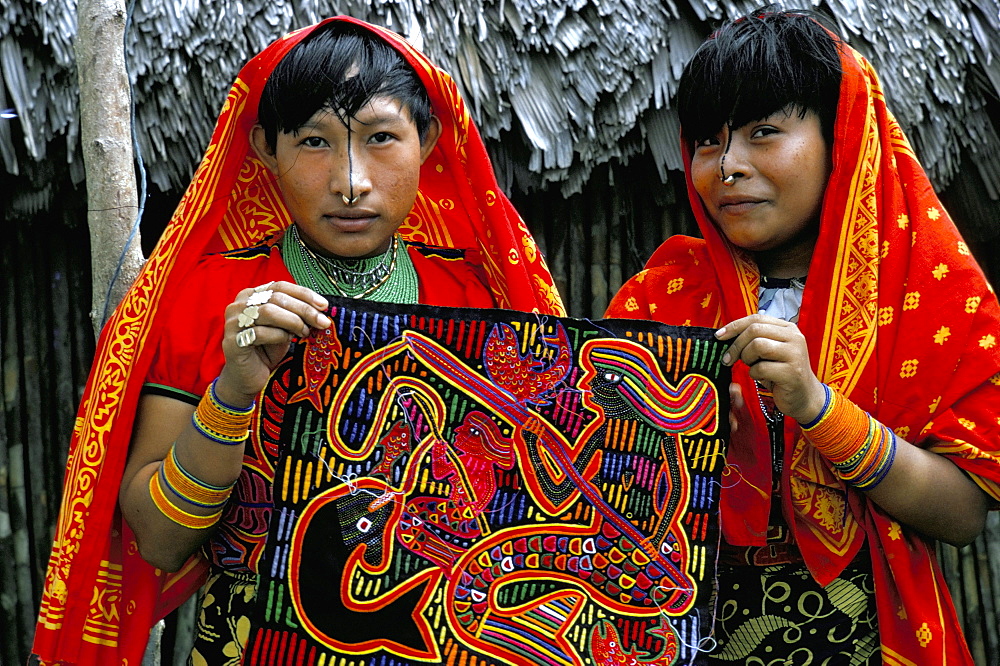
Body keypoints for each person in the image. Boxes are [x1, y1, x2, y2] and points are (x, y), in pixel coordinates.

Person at [31, 17, 563, 665]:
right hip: (252, 647)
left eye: (381, 139)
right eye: (314, 141)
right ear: (263, 147)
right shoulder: (203, 301)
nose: (350, 181)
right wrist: (233, 391)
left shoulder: (482, 299)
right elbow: (161, 540)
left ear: (426, 140)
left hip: (454, 643)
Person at [607, 8, 1000, 664]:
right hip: (687, 638)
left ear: (841, 137)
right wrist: (663, 439)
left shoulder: (929, 296)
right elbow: (600, 490)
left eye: (764, 132)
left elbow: (962, 515)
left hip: (865, 642)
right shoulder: (662, 296)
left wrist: (817, 407)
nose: (727, 165)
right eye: (708, 140)